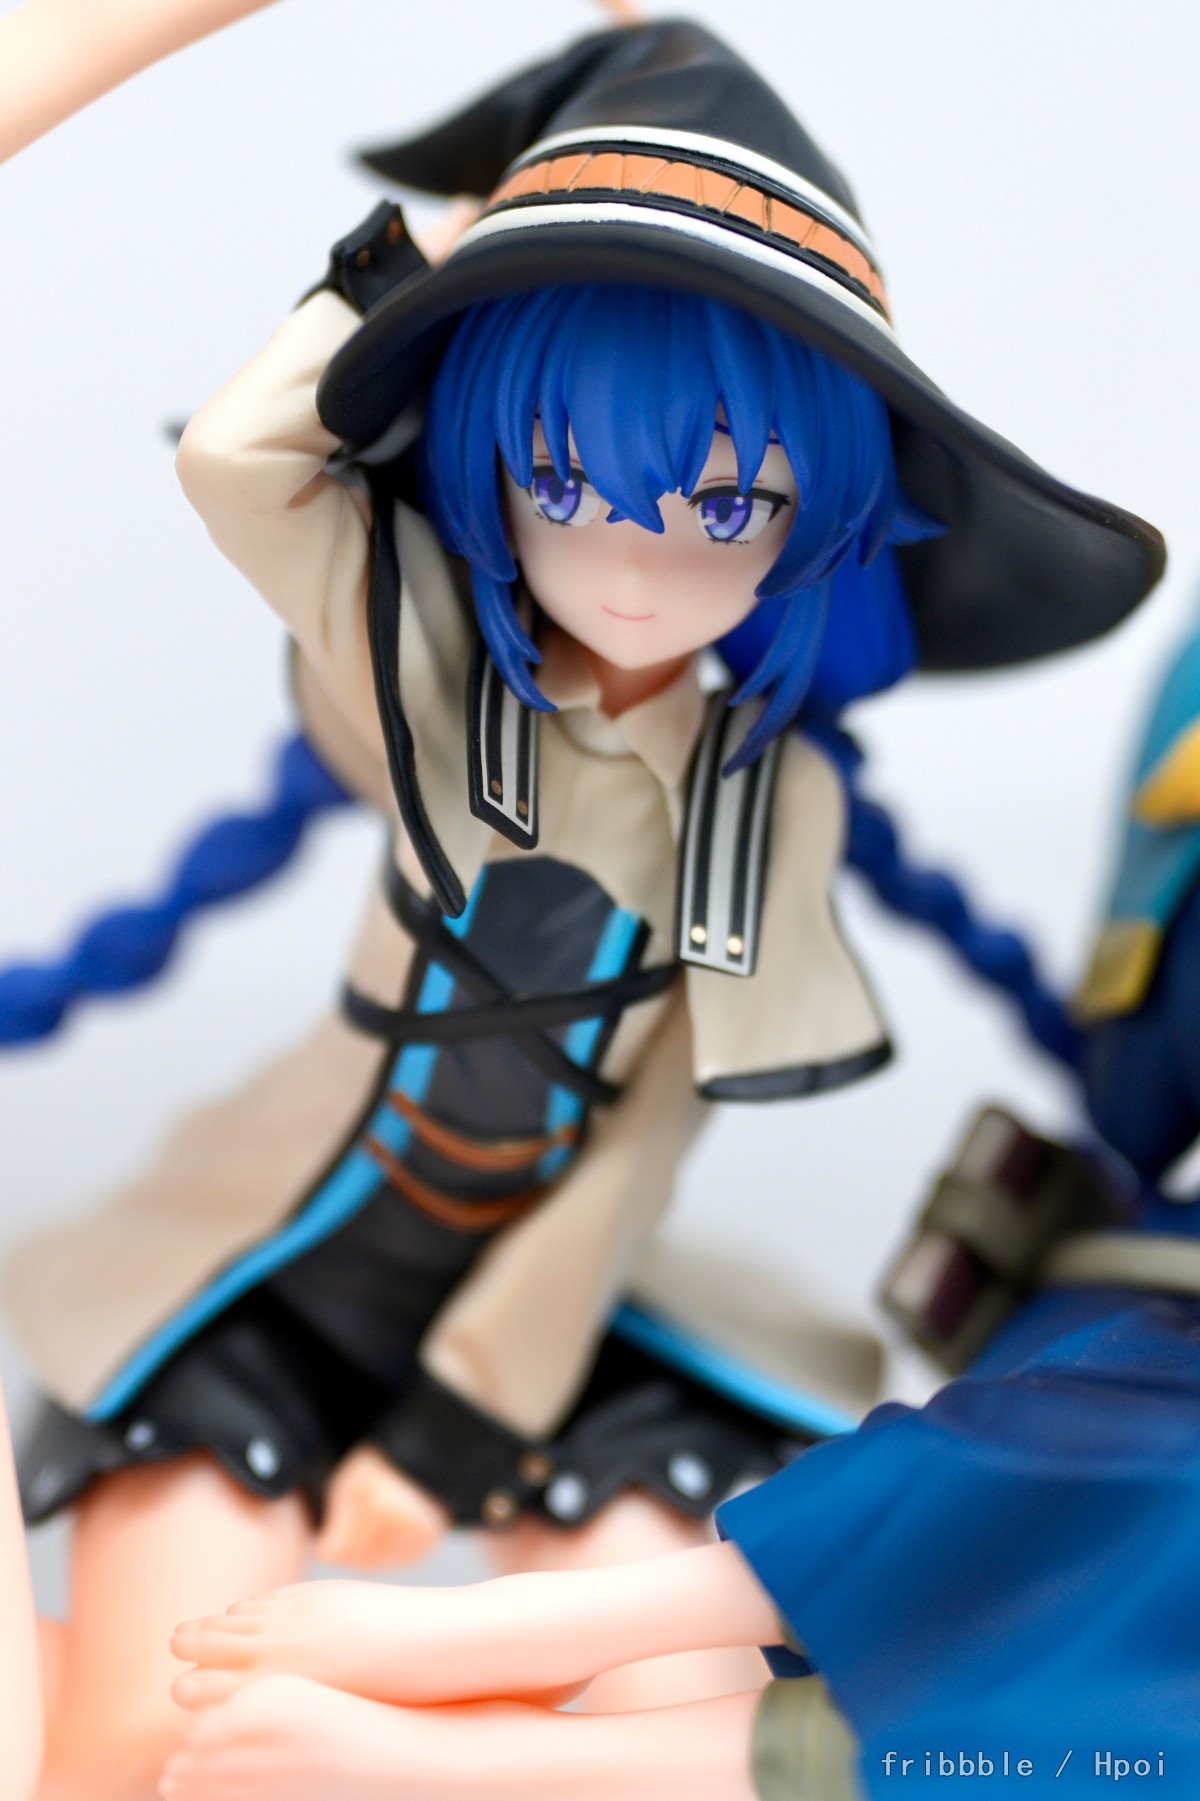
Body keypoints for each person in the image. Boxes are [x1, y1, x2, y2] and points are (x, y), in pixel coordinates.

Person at [0, 11, 1164, 1798]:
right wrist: (439, 259)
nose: (635, 563)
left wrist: (465, 1415)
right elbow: (237, 460)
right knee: (144, 1724)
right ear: (490, 470)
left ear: (814, 524)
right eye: (566, 481)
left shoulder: (767, 806)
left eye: (729, 504)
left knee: (651, 1671)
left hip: (565, 1307)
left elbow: (637, 1142)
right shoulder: (426, 669)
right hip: (283, 1263)